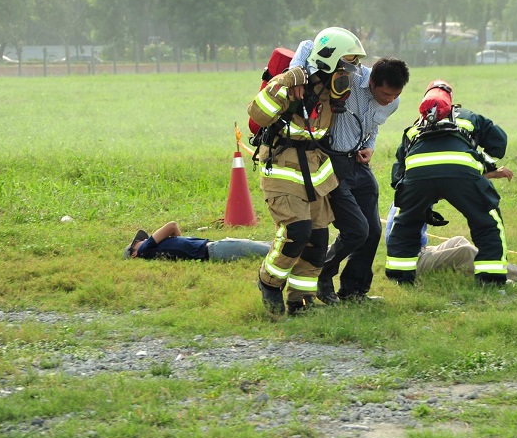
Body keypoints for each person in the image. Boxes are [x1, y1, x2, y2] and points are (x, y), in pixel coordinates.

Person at [247, 27, 365, 315]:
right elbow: (257, 113)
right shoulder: (292, 82)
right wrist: (287, 79)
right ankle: (269, 283)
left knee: (317, 239)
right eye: (346, 63)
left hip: (315, 169)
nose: (350, 71)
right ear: (329, 58)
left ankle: (300, 299)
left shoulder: (333, 89)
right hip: (283, 165)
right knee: (295, 232)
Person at [289, 42, 410, 304]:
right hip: (332, 163)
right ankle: (323, 275)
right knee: (356, 230)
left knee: (373, 231)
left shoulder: (392, 103)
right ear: (373, 81)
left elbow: (374, 126)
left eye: (395, 95)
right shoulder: (350, 77)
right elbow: (308, 45)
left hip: (359, 164)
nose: (389, 100)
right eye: (386, 93)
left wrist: (369, 146)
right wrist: (297, 73)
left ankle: (354, 291)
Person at [385, 80, 511, 286]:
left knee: (406, 223)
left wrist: (415, 200)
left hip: (417, 175)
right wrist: (483, 158)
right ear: (451, 101)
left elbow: (398, 169)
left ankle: (402, 277)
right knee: (486, 221)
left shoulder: (413, 129)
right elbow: (498, 144)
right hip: (460, 172)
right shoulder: (469, 117)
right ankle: (491, 280)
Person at [384, 204, 517, 281]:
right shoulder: (412, 204)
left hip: (421, 250)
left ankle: (491, 276)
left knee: (459, 240)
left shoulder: (412, 198)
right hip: (412, 262)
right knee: (465, 251)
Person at [123, 222, 270, 261]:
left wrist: (178, 240)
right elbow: (172, 225)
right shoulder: (144, 250)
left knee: (262, 246)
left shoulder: (152, 250)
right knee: (266, 250)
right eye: (138, 242)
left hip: (215, 248)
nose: (144, 240)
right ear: (134, 253)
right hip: (213, 249)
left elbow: (173, 232)